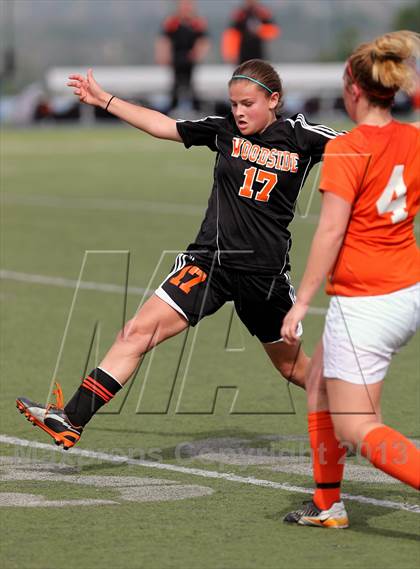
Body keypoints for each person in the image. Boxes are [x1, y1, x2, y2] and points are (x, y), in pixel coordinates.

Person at [16, 58, 344, 450]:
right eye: (234, 103)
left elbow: (361, 146)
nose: (238, 112)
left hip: (263, 275)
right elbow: (161, 125)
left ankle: (349, 414)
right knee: (135, 333)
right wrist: (104, 100)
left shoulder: (301, 136)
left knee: (293, 368)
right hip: (209, 264)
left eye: (248, 104)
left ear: (274, 99)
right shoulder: (222, 131)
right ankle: (71, 419)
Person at [281, 30, 420, 528]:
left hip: (366, 302)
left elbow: (330, 232)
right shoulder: (414, 138)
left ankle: (329, 504)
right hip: (406, 292)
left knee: (359, 427)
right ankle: (327, 504)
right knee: (318, 384)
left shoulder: (349, 149)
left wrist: (301, 303)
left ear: (353, 88)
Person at [155, 0, 210, 113]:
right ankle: (172, 108)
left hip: (190, 58)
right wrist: (163, 55)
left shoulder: (197, 23)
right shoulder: (172, 22)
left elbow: (203, 40)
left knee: (191, 84)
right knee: (175, 84)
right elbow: (164, 40)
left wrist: (197, 53)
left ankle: (196, 109)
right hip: (176, 57)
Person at [221, 0, 280, 65]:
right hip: (242, 55)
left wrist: (260, 30)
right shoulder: (240, 15)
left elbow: (273, 31)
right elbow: (232, 35)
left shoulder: (263, 13)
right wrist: (231, 54)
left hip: (259, 53)